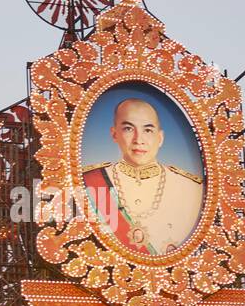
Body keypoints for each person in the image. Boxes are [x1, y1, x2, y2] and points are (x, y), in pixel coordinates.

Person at [82, 96, 204, 256]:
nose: (138, 140)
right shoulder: (88, 181)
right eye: (128, 129)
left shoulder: (191, 188)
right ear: (114, 134)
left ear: (160, 138)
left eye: (148, 130)